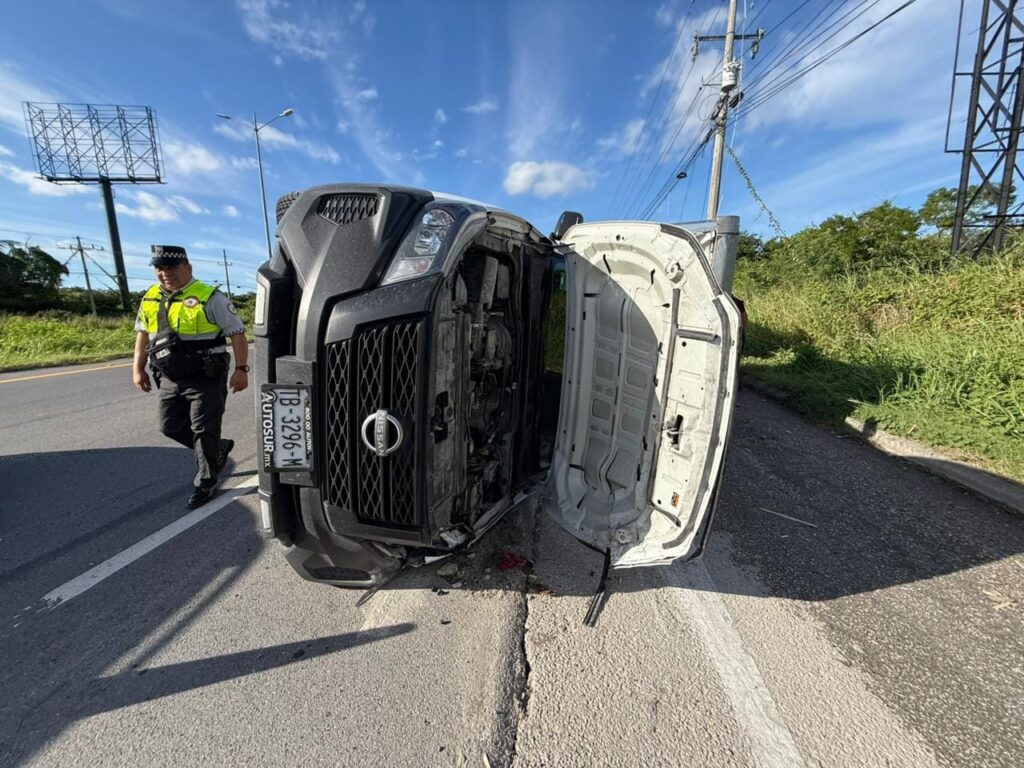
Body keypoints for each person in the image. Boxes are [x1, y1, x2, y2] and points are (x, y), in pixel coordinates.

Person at [132, 245, 249, 509]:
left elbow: (237, 334)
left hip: (205, 375)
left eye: (172, 267)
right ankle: (218, 448)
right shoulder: (150, 297)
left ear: (188, 268)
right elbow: (142, 335)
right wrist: (137, 369)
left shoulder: (210, 296)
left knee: (204, 429)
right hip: (169, 376)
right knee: (170, 426)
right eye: (159, 268)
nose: (165, 273)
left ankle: (206, 482)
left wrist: (241, 369)